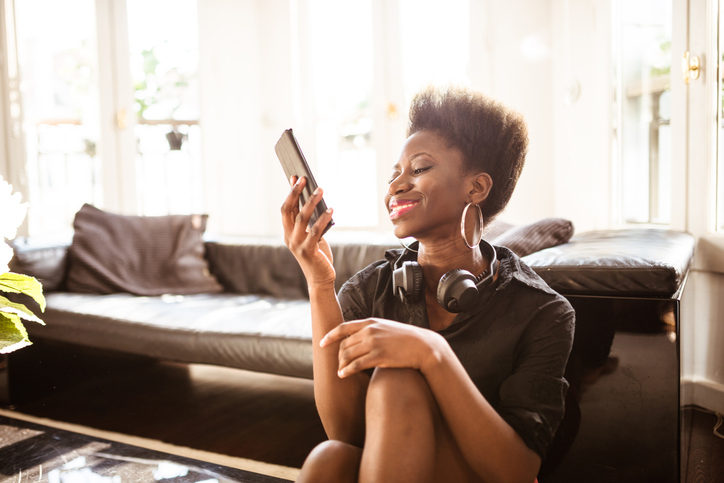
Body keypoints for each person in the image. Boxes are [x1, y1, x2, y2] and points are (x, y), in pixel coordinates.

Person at [280, 85, 575, 483]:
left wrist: (432, 353)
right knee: (329, 458)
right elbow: (345, 432)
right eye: (394, 174)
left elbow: (518, 471)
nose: (396, 186)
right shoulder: (371, 289)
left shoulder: (543, 311)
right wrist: (320, 283)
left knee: (397, 378)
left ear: (477, 187)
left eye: (418, 169)